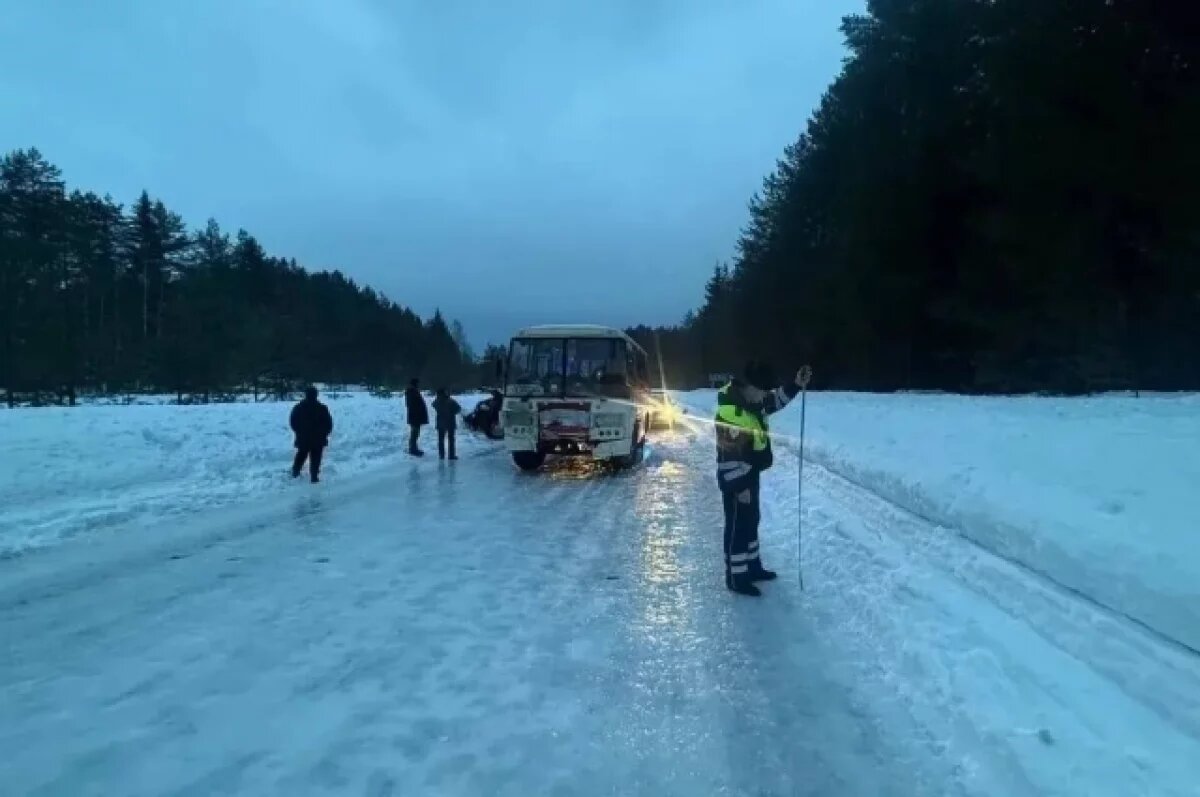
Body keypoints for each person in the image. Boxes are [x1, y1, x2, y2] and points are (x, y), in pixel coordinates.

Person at [714, 361, 812, 596]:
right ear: (748, 387)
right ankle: (737, 578)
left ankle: (752, 567)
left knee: (751, 522)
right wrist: (740, 488)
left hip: (751, 474)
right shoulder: (731, 413)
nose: (764, 397)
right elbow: (728, 458)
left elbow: (774, 400)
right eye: (761, 391)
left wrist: (796, 385)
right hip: (737, 480)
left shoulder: (751, 402)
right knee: (738, 527)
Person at [290, 386, 333, 483]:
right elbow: (329, 424)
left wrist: (298, 432)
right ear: (316, 395)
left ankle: (295, 472)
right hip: (318, 439)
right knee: (316, 458)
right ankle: (314, 476)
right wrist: (324, 433)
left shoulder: (299, 407)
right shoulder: (322, 408)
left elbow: (293, 422)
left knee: (301, 455)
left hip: (303, 438)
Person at [431, 388, 462, 460]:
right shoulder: (450, 401)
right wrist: (452, 412)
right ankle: (451, 455)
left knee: (440, 440)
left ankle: (441, 455)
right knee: (451, 439)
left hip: (440, 422)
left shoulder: (436, 401)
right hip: (450, 422)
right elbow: (458, 409)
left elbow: (433, 405)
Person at [405, 378, 429, 456]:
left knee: (415, 433)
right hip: (415, 416)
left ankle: (413, 448)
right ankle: (413, 449)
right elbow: (413, 405)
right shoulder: (412, 392)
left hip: (415, 416)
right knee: (414, 433)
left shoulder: (412, 391)